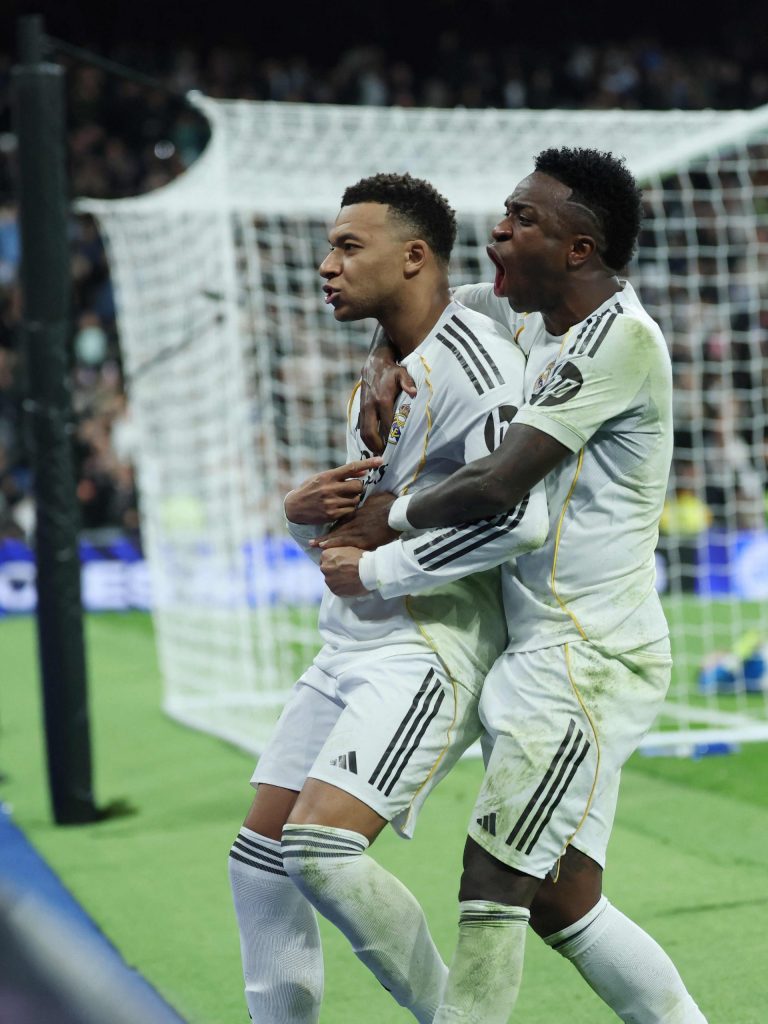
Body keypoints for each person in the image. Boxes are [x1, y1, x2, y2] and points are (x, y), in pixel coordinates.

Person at [319, 148, 708, 1023]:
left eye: (523, 219)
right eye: (505, 212)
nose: (497, 230)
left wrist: (391, 520)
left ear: (578, 249)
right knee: (564, 899)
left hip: (588, 656)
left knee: (493, 878)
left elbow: (501, 483)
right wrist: (382, 355)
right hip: (538, 646)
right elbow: (421, 314)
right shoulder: (527, 311)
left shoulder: (619, 341)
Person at [227, 172, 549, 1023]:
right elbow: (358, 526)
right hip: (348, 642)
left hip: (426, 649)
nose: (326, 265)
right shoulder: (381, 369)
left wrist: (376, 573)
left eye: (347, 246)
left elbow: (515, 518)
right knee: (258, 862)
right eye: (329, 246)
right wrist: (301, 517)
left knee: (318, 850)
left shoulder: (481, 368)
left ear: (413, 258)